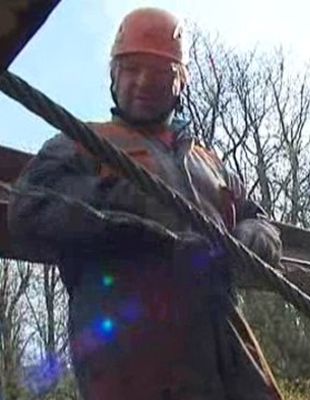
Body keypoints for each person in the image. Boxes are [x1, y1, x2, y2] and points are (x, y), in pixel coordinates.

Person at [8, 7, 283, 400]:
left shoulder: (208, 163)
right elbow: (29, 208)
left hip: (225, 352)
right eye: (132, 68)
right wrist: (140, 213)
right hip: (133, 358)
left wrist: (256, 234)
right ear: (113, 74)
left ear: (180, 84)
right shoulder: (79, 142)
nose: (142, 82)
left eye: (159, 73)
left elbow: (255, 215)